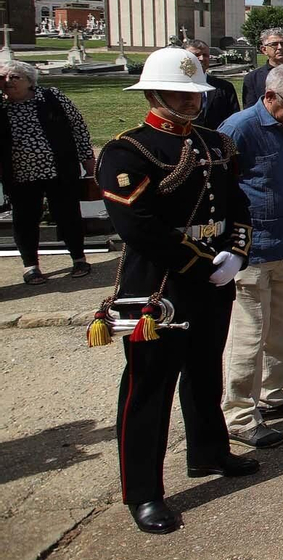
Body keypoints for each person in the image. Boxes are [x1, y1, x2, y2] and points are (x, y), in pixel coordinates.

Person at [94, 47, 256, 534]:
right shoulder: (129, 151)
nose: (191, 104)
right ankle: (143, 492)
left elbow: (237, 202)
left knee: (206, 370)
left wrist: (236, 251)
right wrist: (202, 262)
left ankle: (208, 450)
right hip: (157, 289)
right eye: (180, 95)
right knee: (148, 388)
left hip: (213, 281)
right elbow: (137, 225)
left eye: (195, 95)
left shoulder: (215, 144)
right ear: (154, 93)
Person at [218, 62, 283, 449]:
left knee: (279, 329)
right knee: (250, 333)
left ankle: (273, 395)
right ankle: (240, 414)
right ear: (270, 96)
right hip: (253, 249)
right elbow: (222, 191)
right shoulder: (239, 129)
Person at [0, 59, 94, 285]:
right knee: (24, 219)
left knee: (67, 214)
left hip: (59, 169)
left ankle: (79, 259)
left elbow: (78, 127)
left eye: (14, 77)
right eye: (2, 78)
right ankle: (31, 266)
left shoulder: (51, 98)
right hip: (20, 174)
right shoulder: (1, 106)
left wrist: (88, 161)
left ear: (30, 82)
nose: (7, 82)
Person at [185, 39, 240, 131]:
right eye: (196, 55)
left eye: (205, 55)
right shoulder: (177, 88)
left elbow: (234, 118)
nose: (202, 59)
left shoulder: (225, 87)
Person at [241, 27, 283, 108]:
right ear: (264, 50)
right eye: (274, 44)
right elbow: (250, 109)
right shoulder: (253, 78)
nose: (280, 47)